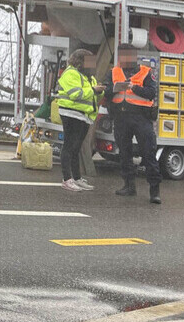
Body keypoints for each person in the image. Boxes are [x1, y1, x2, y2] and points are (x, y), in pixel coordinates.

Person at [104, 44, 161, 204]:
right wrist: (111, 89)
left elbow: (151, 93)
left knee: (148, 153)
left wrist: (133, 87)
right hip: (121, 118)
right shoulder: (113, 72)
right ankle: (129, 186)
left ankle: (154, 191)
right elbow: (106, 92)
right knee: (124, 154)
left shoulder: (145, 72)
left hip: (141, 118)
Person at [53, 49, 104, 191]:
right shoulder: (70, 73)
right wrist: (93, 90)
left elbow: (93, 97)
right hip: (71, 113)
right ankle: (66, 179)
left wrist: (100, 91)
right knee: (69, 146)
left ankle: (76, 178)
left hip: (84, 116)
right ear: (80, 61)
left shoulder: (89, 76)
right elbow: (76, 94)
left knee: (76, 148)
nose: (92, 65)